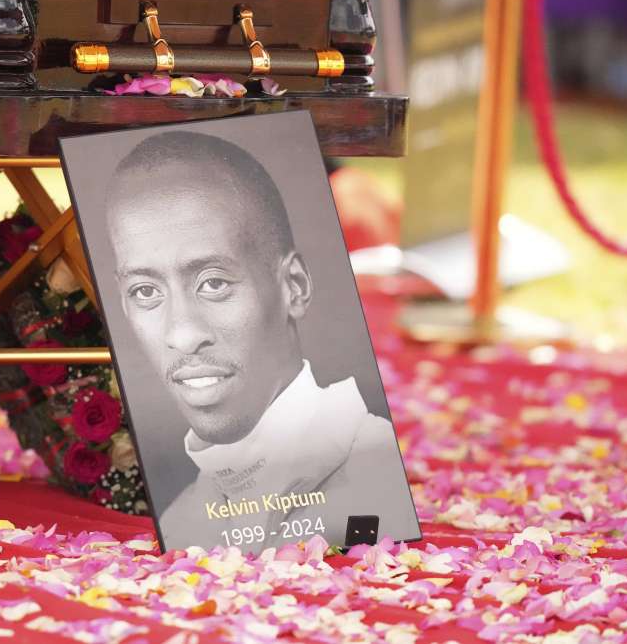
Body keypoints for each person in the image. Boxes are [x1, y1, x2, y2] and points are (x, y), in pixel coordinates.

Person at [104, 130, 417, 548]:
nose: (182, 334)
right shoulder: (183, 521)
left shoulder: (367, 482)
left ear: (294, 286)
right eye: (145, 292)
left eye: (214, 283)